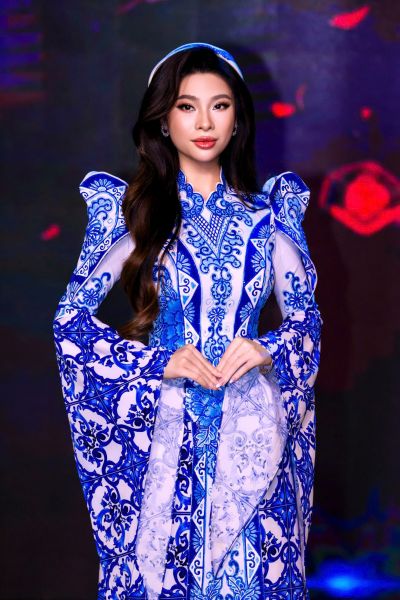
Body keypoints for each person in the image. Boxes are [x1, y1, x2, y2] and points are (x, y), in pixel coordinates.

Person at [53, 42, 322, 600]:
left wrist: (269, 347)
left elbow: (307, 322)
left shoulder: (269, 217)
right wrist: (156, 362)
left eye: (219, 106)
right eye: (186, 106)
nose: (204, 123)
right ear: (163, 119)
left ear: (237, 118)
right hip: (167, 435)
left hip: (255, 440)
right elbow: (70, 321)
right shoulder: (134, 214)